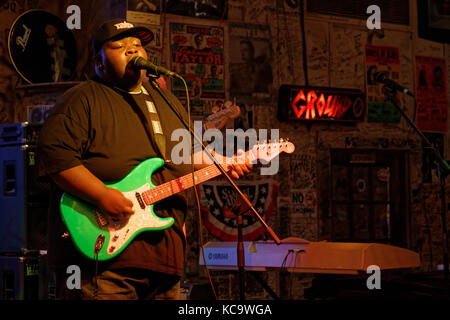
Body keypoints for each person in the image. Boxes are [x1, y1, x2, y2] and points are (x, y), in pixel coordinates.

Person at [36, 19, 252, 300]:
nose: (131, 49)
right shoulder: (82, 98)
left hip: (164, 258)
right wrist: (101, 194)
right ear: (98, 62)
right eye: (119, 45)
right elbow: (55, 155)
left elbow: (183, 152)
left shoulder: (167, 100)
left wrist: (222, 162)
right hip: (103, 263)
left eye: (137, 44)